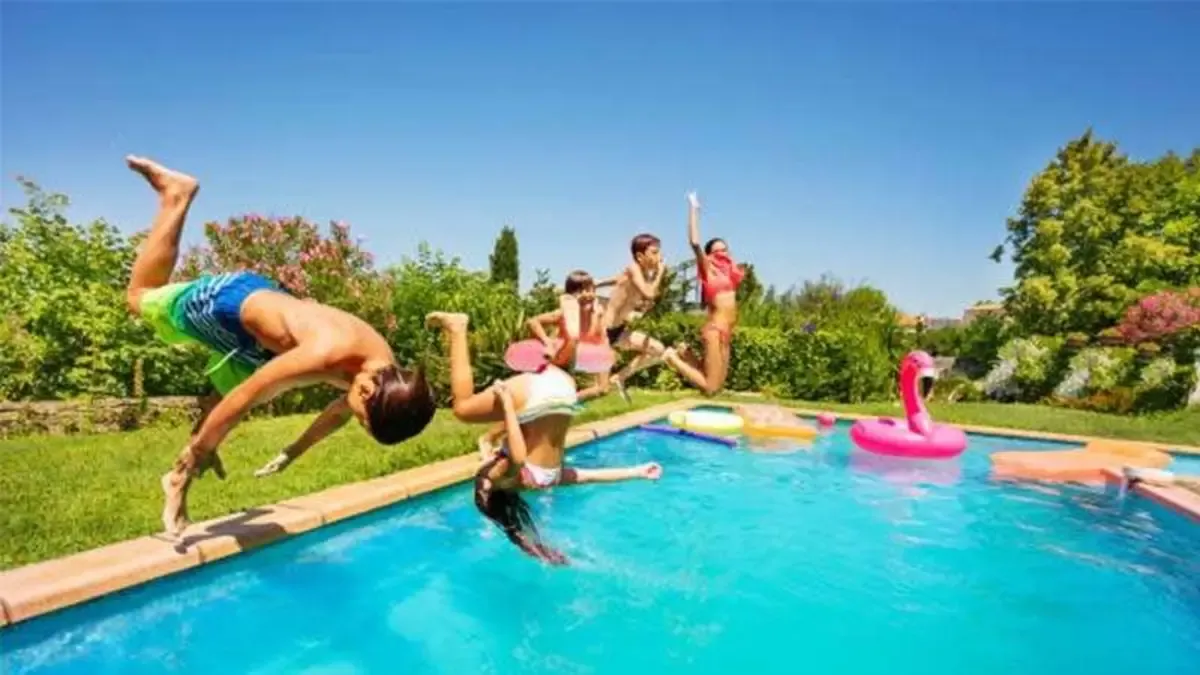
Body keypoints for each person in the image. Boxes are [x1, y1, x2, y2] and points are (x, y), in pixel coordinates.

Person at [123, 155, 436, 538]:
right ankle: (176, 196)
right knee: (140, 297)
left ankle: (192, 460)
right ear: (369, 393)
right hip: (228, 305)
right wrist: (193, 459)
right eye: (362, 419)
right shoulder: (326, 353)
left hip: (258, 340)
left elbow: (338, 411)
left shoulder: (379, 370)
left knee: (216, 397)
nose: (354, 417)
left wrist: (294, 450)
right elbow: (244, 398)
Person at [426, 311, 661, 565]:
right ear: (494, 490)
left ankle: (570, 330)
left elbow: (588, 476)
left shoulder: (545, 479)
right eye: (482, 489)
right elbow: (516, 456)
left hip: (565, 391)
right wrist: (506, 405)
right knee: (462, 409)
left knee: (544, 379)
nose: (481, 483)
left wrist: (637, 471)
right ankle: (458, 327)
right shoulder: (503, 475)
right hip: (539, 395)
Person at [661, 192, 744, 395]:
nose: (722, 254)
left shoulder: (731, 276)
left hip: (727, 331)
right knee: (709, 388)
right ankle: (672, 357)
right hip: (715, 330)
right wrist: (694, 209)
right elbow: (695, 242)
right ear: (709, 256)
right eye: (717, 251)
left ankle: (685, 352)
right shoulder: (708, 269)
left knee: (717, 386)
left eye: (725, 250)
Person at [596, 234, 672, 403]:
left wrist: (598, 282)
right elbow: (649, 293)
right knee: (601, 389)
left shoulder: (642, 275)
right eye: (654, 252)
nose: (659, 257)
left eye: (659, 252)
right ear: (640, 256)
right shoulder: (634, 269)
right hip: (604, 331)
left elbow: (619, 279)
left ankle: (619, 378)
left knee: (658, 350)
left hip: (619, 330)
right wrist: (660, 273)